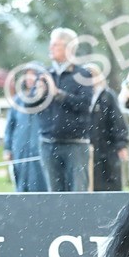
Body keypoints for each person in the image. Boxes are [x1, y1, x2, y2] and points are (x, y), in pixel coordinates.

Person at [38, 28, 93, 191]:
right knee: (54, 196)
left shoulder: (83, 74)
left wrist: (58, 94)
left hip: (75, 144)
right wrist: (38, 95)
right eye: (51, 44)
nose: (51, 48)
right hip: (48, 143)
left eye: (56, 45)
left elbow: (84, 103)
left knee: (78, 194)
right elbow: (30, 107)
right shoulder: (45, 74)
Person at [3, 66, 49, 192]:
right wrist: (7, 148)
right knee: (21, 185)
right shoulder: (18, 100)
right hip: (20, 149)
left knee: (40, 184)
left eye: (33, 74)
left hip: (39, 150)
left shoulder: (47, 101)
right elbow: (10, 126)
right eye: (27, 74)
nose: (30, 78)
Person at [85, 64, 129, 191]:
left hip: (106, 148)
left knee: (108, 181)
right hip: (87, 147)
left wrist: (121, 144)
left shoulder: (107, 96)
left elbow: (117, 121)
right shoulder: (83, 97)